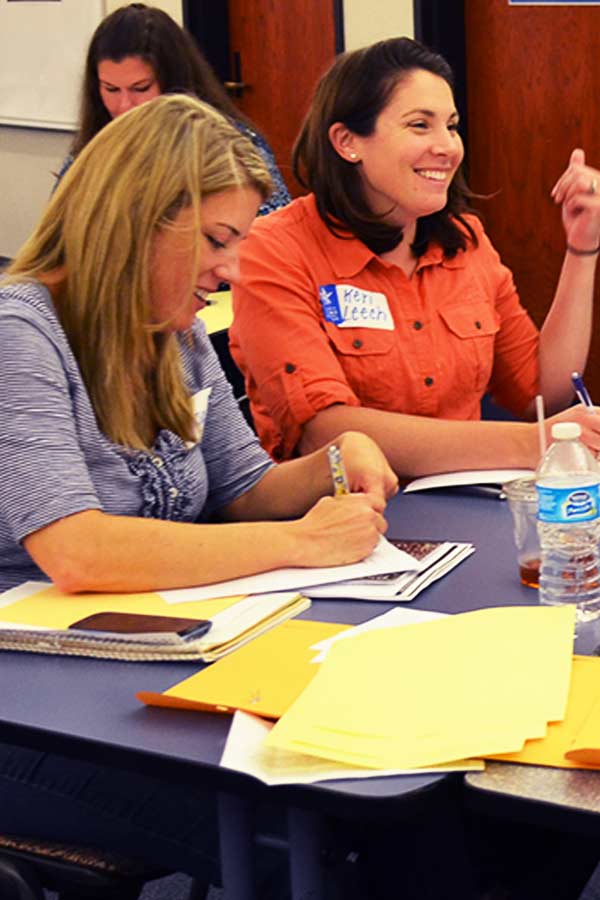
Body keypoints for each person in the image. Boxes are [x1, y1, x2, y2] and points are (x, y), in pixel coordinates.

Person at [0, 94, 397, 886]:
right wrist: (304, 542)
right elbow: (76, 548)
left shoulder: (175, 331)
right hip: (31, 716)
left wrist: (333, 461)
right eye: (218, 241)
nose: (232, 271)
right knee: (328, 843)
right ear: (136, 218)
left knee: (376, 807)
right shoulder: (20, 333)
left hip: (138, 677)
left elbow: (245, 485)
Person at [229, 37, 600, 477]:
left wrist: (582, 249)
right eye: (420, 125)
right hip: (340, 516)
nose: (447, 147)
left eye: (452, 125)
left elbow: (541, 392)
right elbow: (327, 433)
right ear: (348, 142)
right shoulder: (275, 249)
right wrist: (537, 442)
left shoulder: (465, 239)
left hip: (468, 501)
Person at [55, 2, 291, 216]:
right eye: (111, 89)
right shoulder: (94, 146)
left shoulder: (230, 147)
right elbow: (54, 236)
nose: (125, 106)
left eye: (141, 88)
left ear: (174, 83)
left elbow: (271, 235)